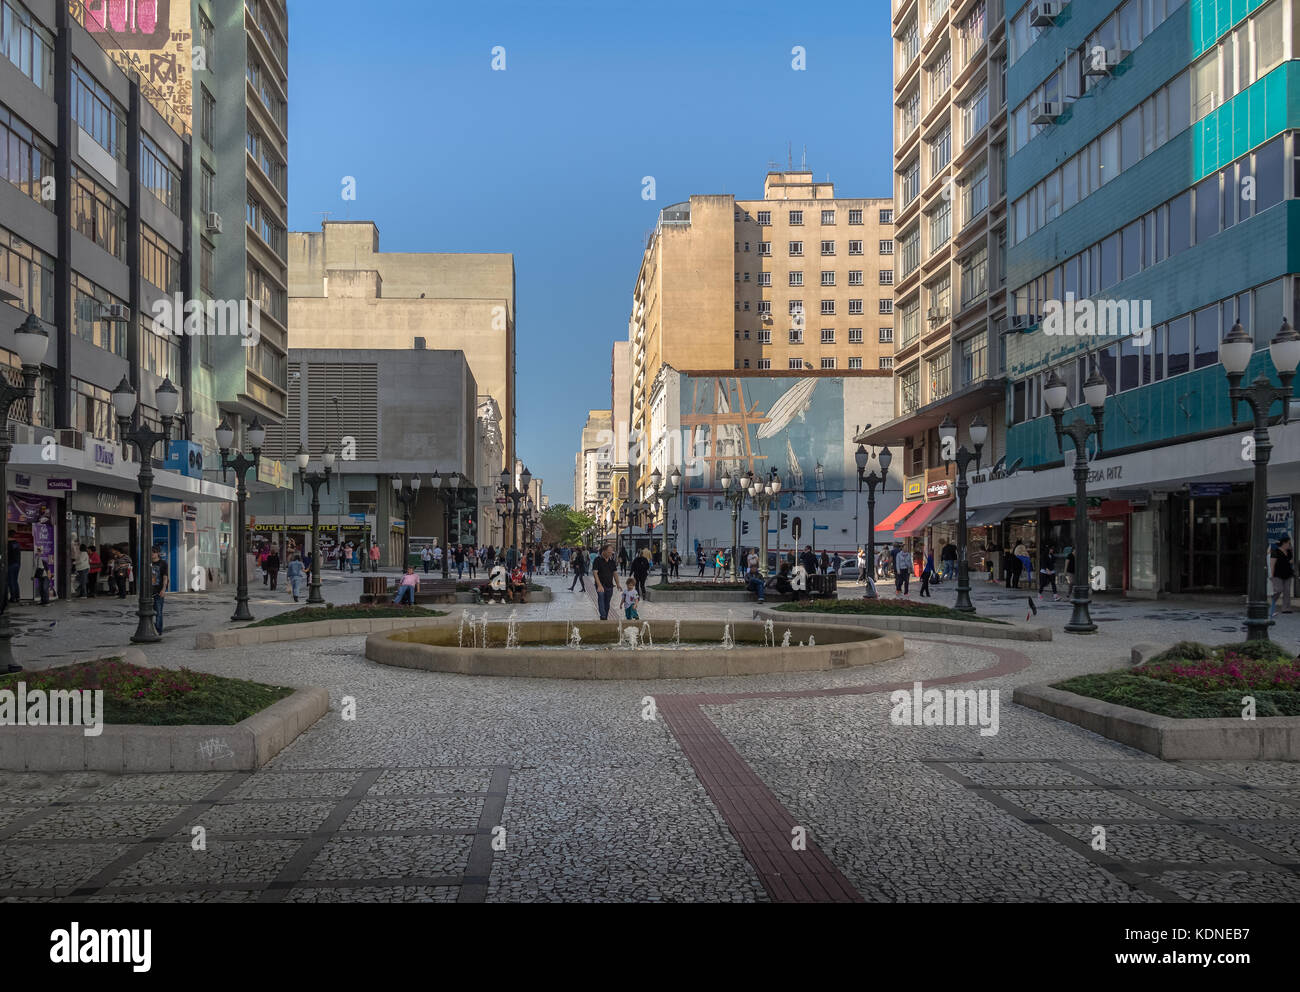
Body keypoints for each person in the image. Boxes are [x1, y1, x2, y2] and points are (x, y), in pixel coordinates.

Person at [592, 544, 618, 620]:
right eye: (609, 552)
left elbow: (615, 573)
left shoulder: (611, 561)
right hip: (601, 584)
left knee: (607, 602)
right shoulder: (597, 560)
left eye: (611, 553)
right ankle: (603, 616)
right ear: (604, 551)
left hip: (609, 585)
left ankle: (605, 617)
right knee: (601, 599)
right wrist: (599, 585)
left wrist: (618, 584)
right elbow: (595, 573)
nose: (610, 554)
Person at [1271, 535, 1295, 617]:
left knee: (1287, 591)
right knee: (1278, 590)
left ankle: (1286, 608)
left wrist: (1292, 550)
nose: (1289, 544)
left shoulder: (1289, 552)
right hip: (1278, 574)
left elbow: (1291, 561)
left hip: (1288, 573)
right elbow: (1272, 564)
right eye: (1288, 543)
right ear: (1284, 543)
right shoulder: (1275, 551)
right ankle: (1272, 604)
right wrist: (1272, 575)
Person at [149, 546, 168, 634]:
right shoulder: (147, 563)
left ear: (158, 553)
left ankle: (158, 631)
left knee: (158, 612)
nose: (152, 554)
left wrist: (163, 589)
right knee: (148, 613)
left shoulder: (163, 563)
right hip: (148, 592)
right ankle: (150, 629)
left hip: (158, 591)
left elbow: (165, 577)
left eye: (154, 552)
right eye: (151, 552)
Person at [6, 530, 21, 604]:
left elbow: (6, 554)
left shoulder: (9, 544)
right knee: (15, 581)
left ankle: (13, 598)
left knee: (11, 581)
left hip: (11, 564)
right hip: (17, 564)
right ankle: (17, 597)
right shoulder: (17, 544)